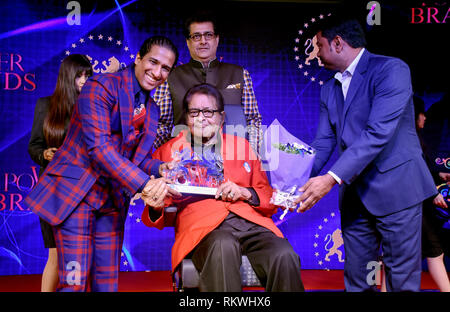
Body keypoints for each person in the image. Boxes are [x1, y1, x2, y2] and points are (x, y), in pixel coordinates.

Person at [25, 36, 181, 292]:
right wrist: (146, 184)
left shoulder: (152, 109)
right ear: (139, 58)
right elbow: (99, 149)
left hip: (111, 201)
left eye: (166, 68)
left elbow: (139, 157)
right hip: (76, 195)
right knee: (74, 283)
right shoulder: (101, 86)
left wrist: (160, 168)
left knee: (106, 285)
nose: (157, 72)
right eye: (153, 62)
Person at [294, 15, 437, 291]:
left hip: (398, 192)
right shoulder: (329, 89)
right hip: (356, 198)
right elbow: (323, 143)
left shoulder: (391, 69)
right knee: (360, 280)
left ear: (337, 43)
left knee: (401, 281)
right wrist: (292, 180)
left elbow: (377, 133)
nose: (316, 54)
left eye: (318, 46)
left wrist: (331, 178)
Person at [142, 83, 304, 292]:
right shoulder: (167, 152)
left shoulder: (242, 147)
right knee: (222, 245)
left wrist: (245, 192)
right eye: (194, 112)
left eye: (208, 111)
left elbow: (267, 197)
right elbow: (158, 208)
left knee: (284, 253)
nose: (201, 118)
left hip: (252, 224)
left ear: (222, 117)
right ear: (186, 118)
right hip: (205, 228)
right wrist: (155, 205)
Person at [153, 11, 263, 153]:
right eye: (196, 36)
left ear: (217, 39)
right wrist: (159, 159)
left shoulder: (239, 74)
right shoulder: (171, 76)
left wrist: (252, 156)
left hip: (232, 159)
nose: (203, 41)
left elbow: (253, 122)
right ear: (188, 42)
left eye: (208, 35)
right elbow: (161, 125)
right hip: (185, 161)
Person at [28, 54, 92, 292]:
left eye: (88, 74)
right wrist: (45, 154)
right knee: (55, 256)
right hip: (53, 192)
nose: (84, 80)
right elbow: (33, 145)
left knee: (83, 256)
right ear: (68, 76)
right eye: (79, 75)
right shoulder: (46, 104)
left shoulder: (95, 106)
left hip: (85, 192)